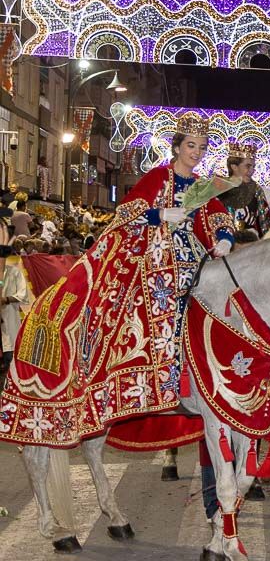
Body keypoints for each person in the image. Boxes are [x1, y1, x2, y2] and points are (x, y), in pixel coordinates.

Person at [0, 112, 235, 440]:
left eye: (202, 147)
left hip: (193, 260)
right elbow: (125, 211)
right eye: (191, 145)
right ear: (178, 147)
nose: (196, 152)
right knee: (133, 306)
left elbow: (217, 217)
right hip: (154, 258)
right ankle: (143, 379)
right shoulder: (157, 177)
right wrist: (159, 214)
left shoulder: (201, 187)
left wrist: (225, 238)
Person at [220, 140, 270, 236]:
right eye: (248, 166)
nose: (252, 171)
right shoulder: (219, 188)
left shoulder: (256, 190)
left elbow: (265, 223)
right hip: (224, 241)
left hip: (250, 242)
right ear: (234, 167)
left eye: (253, 167)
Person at [0, 244, 31, 389]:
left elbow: (22, 294)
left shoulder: (14, 272)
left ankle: (9, 390)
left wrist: (6, 299)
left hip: (9, 320)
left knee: (9, 358)